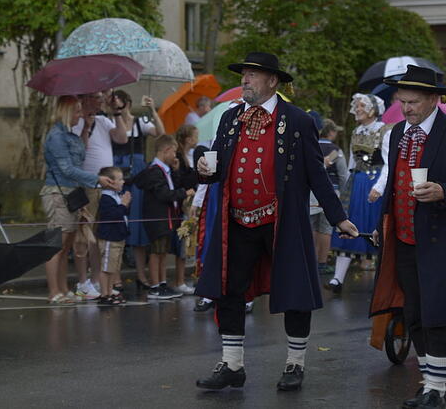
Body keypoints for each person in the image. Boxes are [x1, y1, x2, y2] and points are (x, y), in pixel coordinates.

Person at [194, 52, 358, 392]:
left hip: (280, 220)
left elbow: (317, 173)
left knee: (295, 291)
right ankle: (232, 365)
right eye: (244, 75)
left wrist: (338, 217)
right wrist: (204, 168)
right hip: (237, 220)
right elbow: (219, 167)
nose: (245, 80)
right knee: (229, 291)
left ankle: (295, 364)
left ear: (272, 81)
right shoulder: (230, 118)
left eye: (253, 75)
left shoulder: (297, 120)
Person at [367, 65, 446, 409]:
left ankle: (438, 390)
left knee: (437, 315)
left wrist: (443, 192)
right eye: (402, 101)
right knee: (415, 313)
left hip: (442, 241)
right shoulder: (395, 134)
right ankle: (428, 384)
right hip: (404, 238)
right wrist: (382, 223)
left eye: (414, 102)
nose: (406, 108)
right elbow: (392, 183)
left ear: (434, 99)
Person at [41, 96, 113, 304]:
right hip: (58, 192)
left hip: (72, 192)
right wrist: (96, 180)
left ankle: (63, 288)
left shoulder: (70, 135)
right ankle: (54, 291)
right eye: (77, 112)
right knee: (57, 244)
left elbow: (80, 156)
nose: (80, 115)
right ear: (67, 112)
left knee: (67, 244)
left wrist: (86, 129)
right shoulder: (56, 136)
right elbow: (67, 169)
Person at [71, 91, 128, 300]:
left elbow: (122, 138)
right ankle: (82, 281)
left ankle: (96, 280)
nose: (102, 99)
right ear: (85, 99)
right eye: (97, 96)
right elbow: (80, 151)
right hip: (87, 183)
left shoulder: (104, 120)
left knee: (98, 236)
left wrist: (117, 112)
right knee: (84, 234)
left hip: (104, 185)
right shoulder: (77, 122)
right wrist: (86, 126)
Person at [325, 95, 385, 293]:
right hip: (357, 184)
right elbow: (351, 161)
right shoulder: (356, 131)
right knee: (349, 226)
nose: (357, 109)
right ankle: (337, 279)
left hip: (375, 184)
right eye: (356, 105)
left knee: (375, 229)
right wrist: (347, 186)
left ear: (373, 110)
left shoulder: (385, 130)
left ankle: (382, 280)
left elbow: (388, 162)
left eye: (361, 106)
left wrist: (381, 186)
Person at [110, 90, 163, 290]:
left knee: (138, 226)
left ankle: (141, 275)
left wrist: (152, 109)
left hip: (138, 174)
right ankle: (115, 277)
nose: (119, 108)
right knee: (117, 224)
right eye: (116, 104)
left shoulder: (141, 122)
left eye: (121, 104)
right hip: (118, 174)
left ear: (129, 103)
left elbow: (161, 133)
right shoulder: (111, 123)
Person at [132, 135, 193, 299]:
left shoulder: (165, 170)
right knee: (155, 252)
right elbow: (163, 194)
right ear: (166, 150)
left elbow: (173, 184)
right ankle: (155, 286)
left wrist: (175, 171)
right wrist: (183, 193)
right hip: (157, 218)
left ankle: (163, 283)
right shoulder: (154, 172)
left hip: (167, 218)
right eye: (173, 152)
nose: (175, 156)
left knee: (163, 252)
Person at [312, 119, 348, 279]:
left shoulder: (311, 146)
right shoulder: (335, 151)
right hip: (331, 192)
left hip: (311, 193)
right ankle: (322, 263)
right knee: (326, 229)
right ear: (331, 132)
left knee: (311, 227)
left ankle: (310, 261)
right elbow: (343, 174)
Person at [95, 167, 130, 305]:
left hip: (118, 237)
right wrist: (123, 205)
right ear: (110, 182)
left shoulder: (115, 195)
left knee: (113, 268)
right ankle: (104, 295)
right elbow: (112, 216)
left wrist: (124, 204)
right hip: (110, 237)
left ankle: (110, 291)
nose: (123, 181)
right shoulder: (106, 198)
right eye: (120, 179)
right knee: (106, 268)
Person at [172, 124, 201, 294]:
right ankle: (179, 280)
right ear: (189, 139)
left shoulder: (190, 155)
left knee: (191, 241)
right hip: (183, 204)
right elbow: (182, 180)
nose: (197, 139)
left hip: (191, 202)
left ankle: (190, 277)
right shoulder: (179, 157)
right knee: (184, 240)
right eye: (195, 136)